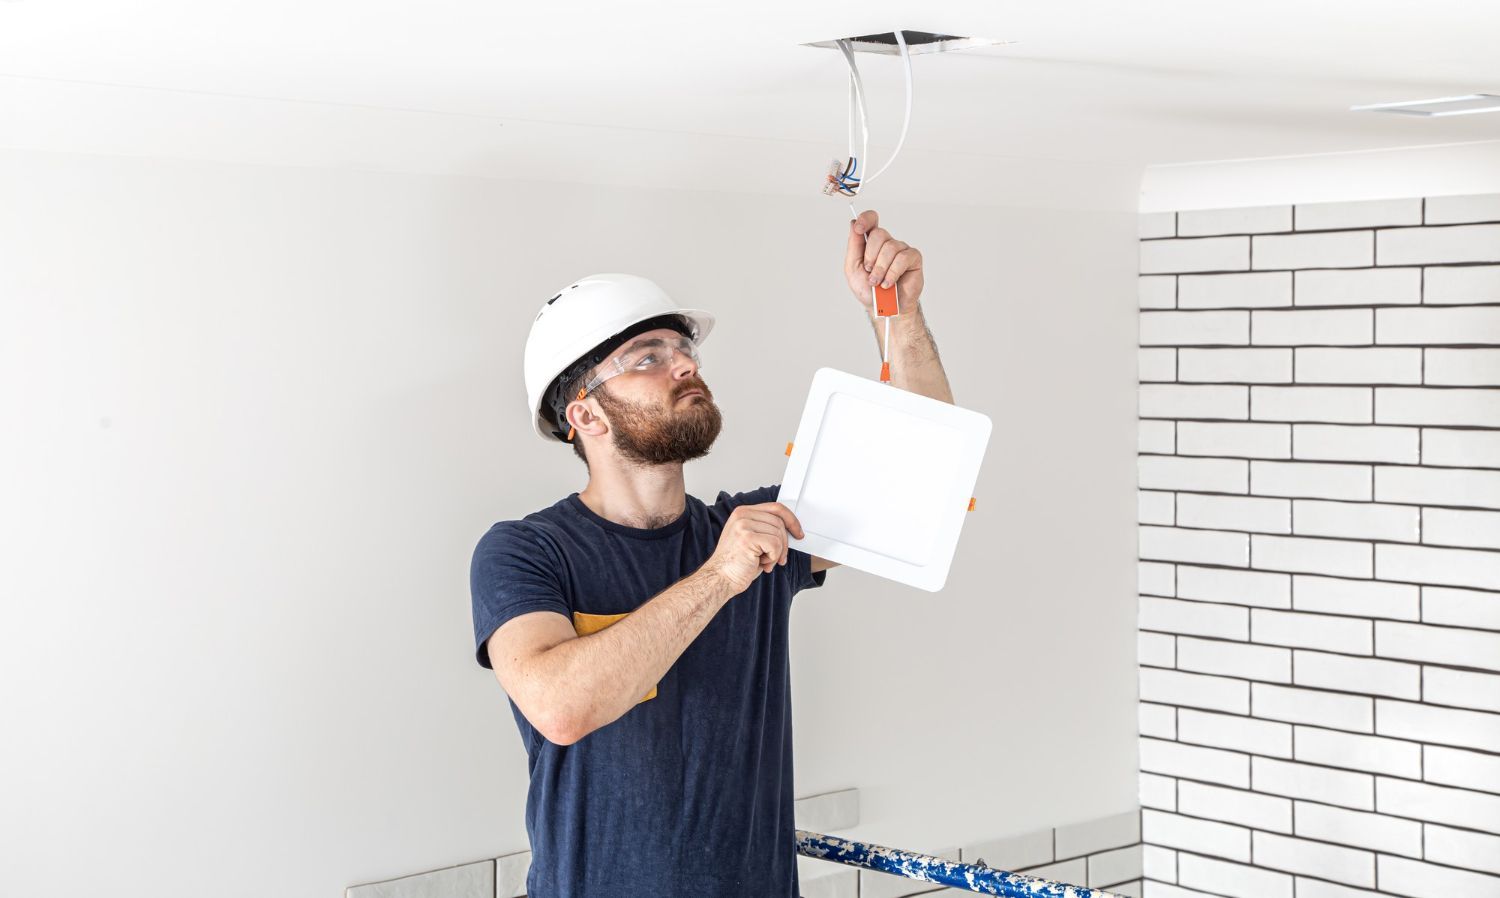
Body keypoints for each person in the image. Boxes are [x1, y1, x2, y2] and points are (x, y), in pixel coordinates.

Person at [470, 210, 955, 897]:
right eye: (649, 358)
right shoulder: (527, 551)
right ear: (585, 415)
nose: (685, 366)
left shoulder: (752, 529)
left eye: (682, 350)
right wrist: (722, 576)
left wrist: (899, 313)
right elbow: (561, 707)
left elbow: (924, 475)